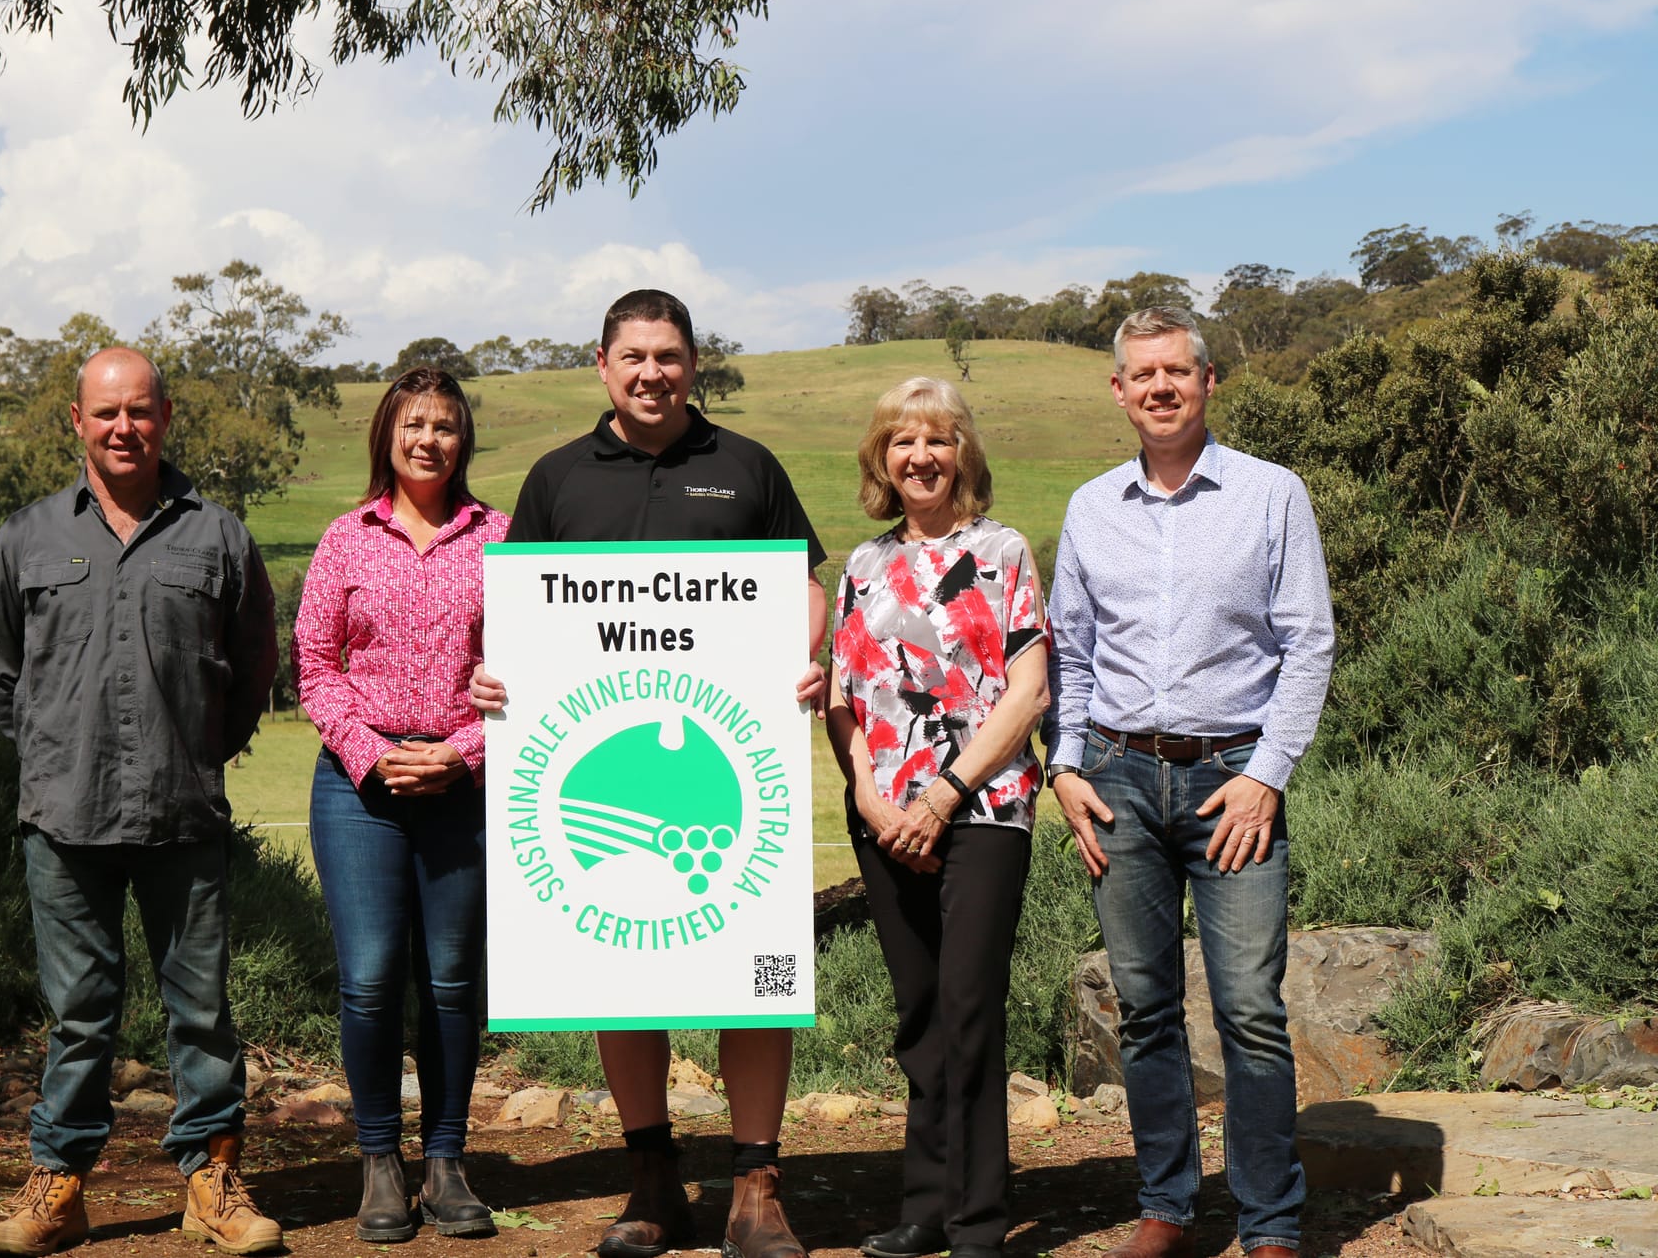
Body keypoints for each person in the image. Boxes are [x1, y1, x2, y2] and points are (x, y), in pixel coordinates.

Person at [469, 289, 829, 1258]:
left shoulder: (746, 468)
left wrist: (806, 653)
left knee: (748, 978)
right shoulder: (554, 479)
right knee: (616, 970)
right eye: (633, 356)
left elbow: (802, 584)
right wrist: (496, 674)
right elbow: (517, 615)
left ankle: (756, 1186)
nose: (650, 373)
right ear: (601, 363)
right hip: (602, 768)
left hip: (727, 766)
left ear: (692, 363)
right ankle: (651, 1182)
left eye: (667, 356)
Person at [0, 347, 282, 1256]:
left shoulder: (217, 536)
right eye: (106, 412)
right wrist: (49, 751)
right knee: (80, 1015)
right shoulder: (26, 537)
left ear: (167, 415)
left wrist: (194, 750)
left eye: (140, 411)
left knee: (202, 1012)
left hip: (182, 813)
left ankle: (212, 1180)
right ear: (76, 420)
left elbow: (255, 662)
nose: (124, 427)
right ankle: (60, 1184)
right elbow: (1, 668)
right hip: (62, 819)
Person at [1043, 307, 1334, 1258]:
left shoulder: (1270, 493)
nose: (1161, 386)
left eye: (1178, 370)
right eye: (1143, 374)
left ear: (1210, 381)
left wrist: (1269, 776)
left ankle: (1270, 1222)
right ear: (1119, 390)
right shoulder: (1090, 508)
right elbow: (1072, 657)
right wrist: (1065, 766)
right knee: (1145, 1005)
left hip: (1232, 783)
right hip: (1119, 781)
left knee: (1250, 1007)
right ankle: (1166, 1209)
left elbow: (1309, 642)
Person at [825, 378, 1049, 1258]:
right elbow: (841, 701)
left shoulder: (1002, 552)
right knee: (917, 1008)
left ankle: (980, 1220)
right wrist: (873, 797)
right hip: (884, 818)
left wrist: (944, 793)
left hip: (984, 807)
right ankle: (924, 1207)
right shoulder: (861, 566)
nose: (920, 456)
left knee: (967, 1005)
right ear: (882, 459)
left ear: (963, 453)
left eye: (938, 439)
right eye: (901, 442)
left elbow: (1028, 692)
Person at [291, 368, 510, 1242]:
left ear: (465, 440)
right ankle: (380, 1159)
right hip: (359, 786)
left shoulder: (502, 537)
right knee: (373, 977)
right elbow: (314, 662)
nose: (430, 439)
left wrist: (462, 754)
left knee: (454, 981)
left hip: (465, 784)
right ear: (387, 432)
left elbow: (540, 670)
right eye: (414, 423)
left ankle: (448, 1162)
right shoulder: (346, 538)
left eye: (447, 426)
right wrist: (372, 752)